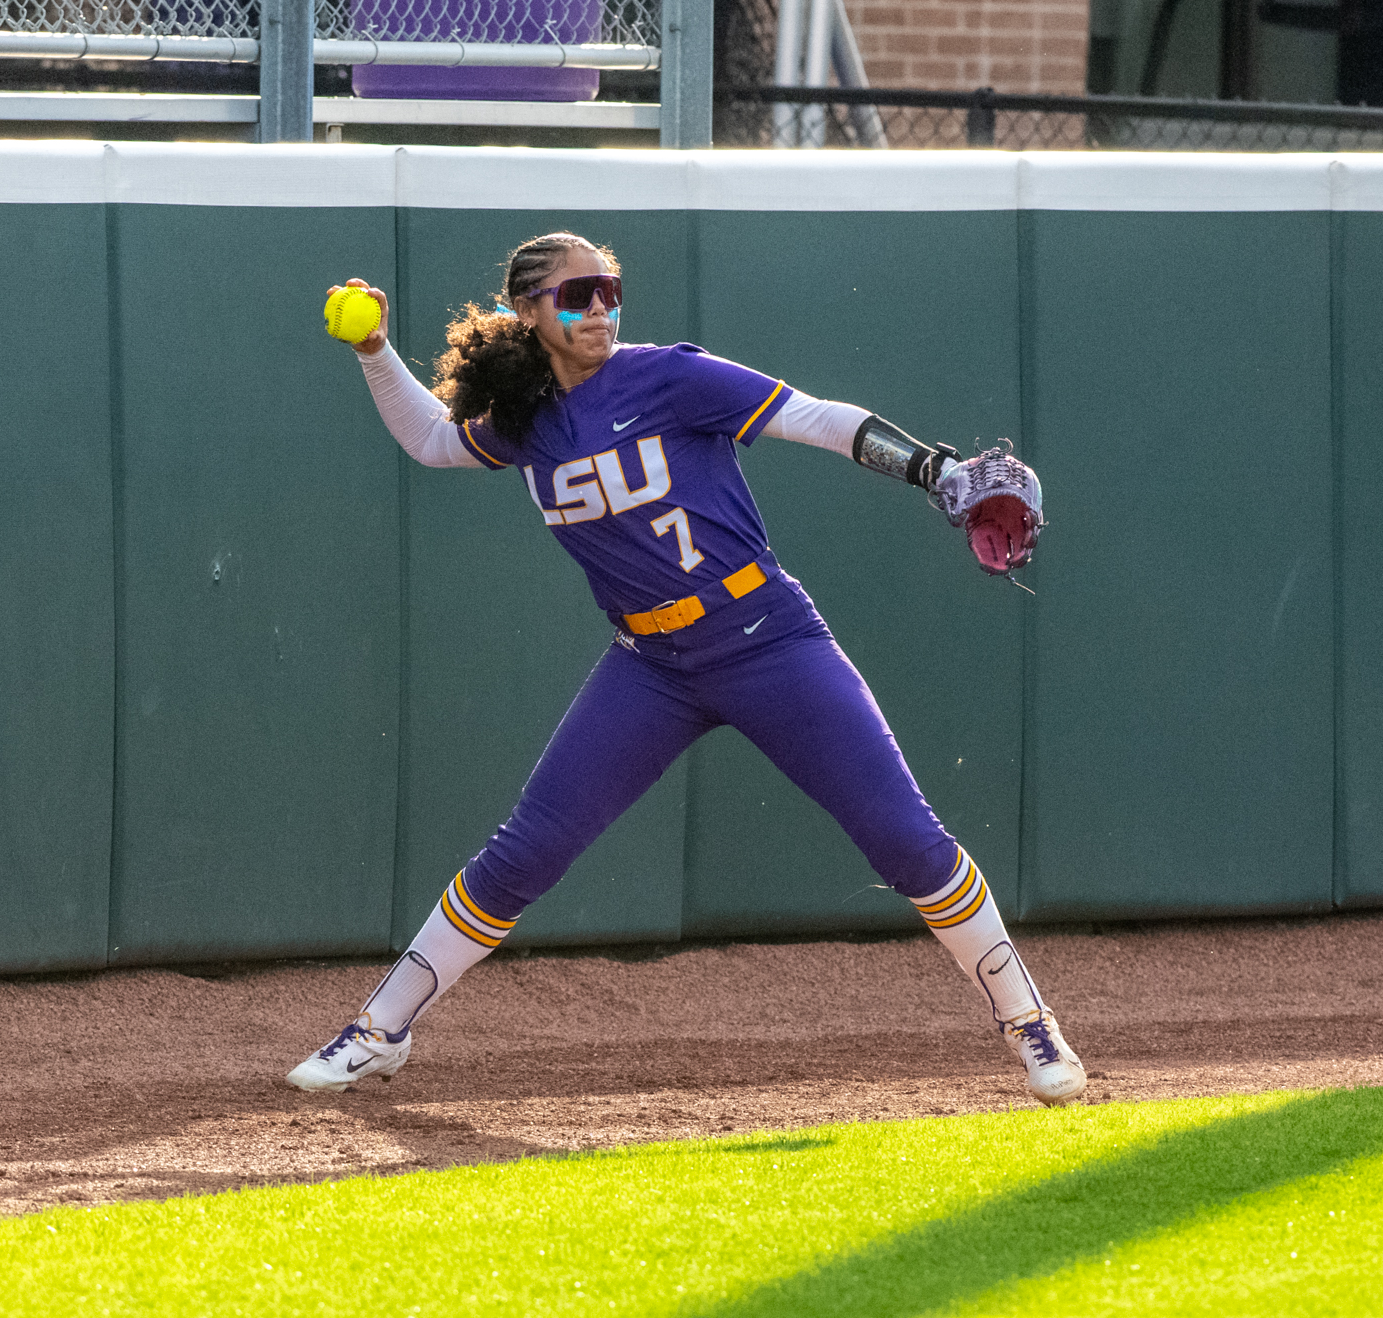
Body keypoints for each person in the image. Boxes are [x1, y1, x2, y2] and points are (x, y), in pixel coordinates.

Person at [286, 232, 1086, 1108]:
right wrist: (374, 352)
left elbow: (813, 415)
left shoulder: (666, 374)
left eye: (611, 290)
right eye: (578, 294)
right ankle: (379, 1031)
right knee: (524, 853)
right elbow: (434, 442)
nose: (600, 309)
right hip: (652, 664)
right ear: (529, 312)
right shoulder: (526, 417)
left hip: (766, 637)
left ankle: (1029, 1021)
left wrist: (931, 468)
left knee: (906, 839)